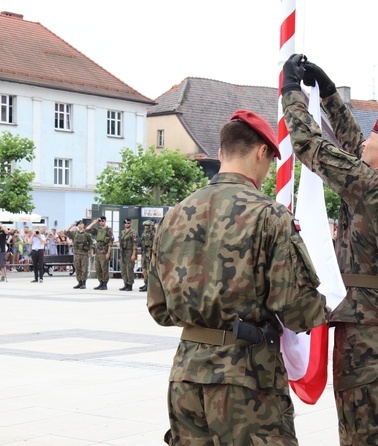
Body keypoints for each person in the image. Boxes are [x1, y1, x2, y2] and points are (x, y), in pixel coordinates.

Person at [147, 109, 329, 446]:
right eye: (270, 160)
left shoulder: (174, 215)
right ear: (262, 153)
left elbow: (159, 308)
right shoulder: (269, 215)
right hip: (246, 378)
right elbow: (298, 310)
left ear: (220, 153)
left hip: (186, 375)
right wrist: (330, 308)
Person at [282, 54, 378, 445]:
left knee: (362, 434)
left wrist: (290, 93)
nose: (363, 147)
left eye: (372, 144)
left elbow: (310, 145)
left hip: (366, 327)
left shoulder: (375, 187)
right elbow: (349, 144)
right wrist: (328, 93)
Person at [86, 216, 114, 290]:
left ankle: (105, 283)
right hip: (98, 252)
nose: (101, 222)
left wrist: (108, 253)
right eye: (100, 221)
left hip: (104, 252)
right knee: (98, 268)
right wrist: (93, 223)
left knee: (104, 268)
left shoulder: (109, 230)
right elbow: (87, 229)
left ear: (105, 221)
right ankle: (100, 282)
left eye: (102, 221)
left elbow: (110, 242)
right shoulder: (98, 230)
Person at [65, 220, 93, 289]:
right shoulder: (75, 233)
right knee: (77, 268)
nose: (79, 225)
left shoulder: (86, 233)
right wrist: (71, 226)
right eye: (78, 224)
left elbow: (91, 243)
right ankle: (79, 282)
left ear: (83, 225)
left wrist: (89, 252)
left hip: (84, 253)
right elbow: (66, 232)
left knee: (84, 268)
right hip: (76, 253)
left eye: (80, 224)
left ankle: (84, 282)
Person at [117, 218, 138, 291]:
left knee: (129, 269)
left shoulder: (133, 233)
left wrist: (134, 254)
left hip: (129, 252)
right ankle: (125, 283)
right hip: (123, 252)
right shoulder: (122, 232)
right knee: (123, 269)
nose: (127, 224)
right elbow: (120, 241)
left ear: (131, 224)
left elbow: (135, 244)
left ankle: (130, 284)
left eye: (128, 223)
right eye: (126, 223)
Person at [138, 219, 155, 292]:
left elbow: (154, 244)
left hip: (149, 253)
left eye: (147, 225)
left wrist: (151, 253)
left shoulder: (152, 234)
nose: (146, 227)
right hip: (144, 253)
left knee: (149, 270)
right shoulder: (143, 233)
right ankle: (145, 283)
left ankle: (149, 285)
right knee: (144, 269)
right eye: (145, 225)